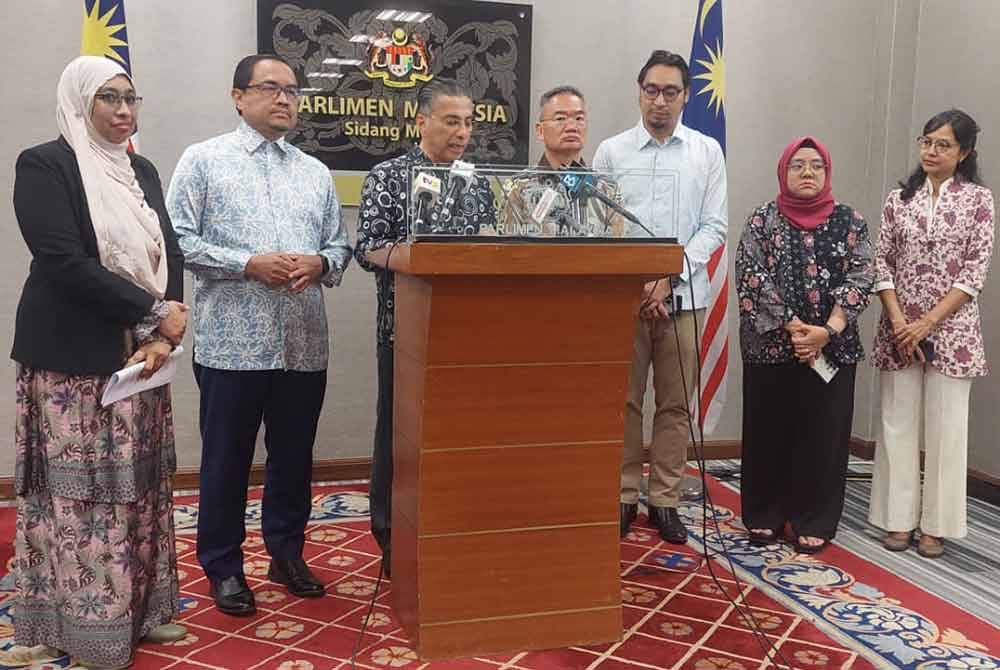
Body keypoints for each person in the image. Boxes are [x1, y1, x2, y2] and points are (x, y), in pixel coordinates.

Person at [10, 55, 188, 669]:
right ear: (78, 102)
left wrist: (164, 330)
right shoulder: (45, 165)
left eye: (130, 98)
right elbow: (63, 261)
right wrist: (154, 311)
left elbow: (168, 251)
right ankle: (72, 627)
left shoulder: (141, 169)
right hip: (72, 362)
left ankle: (139, 612)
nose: (123, 110)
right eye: (108, 98)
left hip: (141, 358)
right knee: (77, 498)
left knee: (137, 488)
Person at [167, 54, 352, 615]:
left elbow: (339, 245)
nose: (284, 99)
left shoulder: (314, 171)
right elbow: (176, 240)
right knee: (226, 461)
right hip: (232, 345)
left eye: (293, 91)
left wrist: (321, 263)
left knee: (293, 458)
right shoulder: (203, 160)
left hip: (303, 343)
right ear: (238, 96)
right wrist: (247, 263)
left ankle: (286, 553)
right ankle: (223, 566)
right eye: (271, 88)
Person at [355, 81, 497, 574]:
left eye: (469, 123)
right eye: (452, 121)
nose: (462, 132)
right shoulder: (388, 176)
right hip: (405, 335)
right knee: (398, 438)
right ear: (422, 121)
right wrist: (418, 258)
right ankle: (392, 537)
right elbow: (367, 248)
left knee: (458, 438)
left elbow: (490, 247)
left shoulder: (476, 182)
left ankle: (453, 529)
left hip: (467, 336)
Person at [593, 50, 728, 543]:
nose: (660, 101)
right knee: (624, 402)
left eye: (671, 92)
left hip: (684, 298)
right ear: (639, 92)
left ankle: (665, 500)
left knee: (674, 406)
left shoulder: (706, 152)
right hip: (624, 299)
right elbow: (602, 225)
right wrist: (638, 282)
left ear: (686, 96)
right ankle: (624, 494)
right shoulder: (611, 152)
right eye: (652, 90)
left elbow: (713, 227)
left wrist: (668, 277)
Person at [736, 136, 873, 554]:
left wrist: (826, 331)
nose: (808, 173)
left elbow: (862, 275)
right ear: (783, 172)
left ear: (827, 172)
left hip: (832, 347)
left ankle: (814, 517)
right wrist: (796, 329)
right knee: (769, 431)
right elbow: (750, 275)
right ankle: (765, 513)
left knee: (824, 435)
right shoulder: (761, 220)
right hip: (771, 347)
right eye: (798, 166)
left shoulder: (851, 221)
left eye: (816, 165)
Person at [868, 109, 994, 559]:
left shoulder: (979, 201)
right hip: (898, 328)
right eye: (926, 142)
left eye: (943, 145)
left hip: (952, 330)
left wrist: (929, 322)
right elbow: (881, 262)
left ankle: (936, 526)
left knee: (946, 430)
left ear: (964, 152)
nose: (932, 151)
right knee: (897, 423)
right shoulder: (897, 200)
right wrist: (899, 320)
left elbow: (975, 271)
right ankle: (896, 518)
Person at [499, 85, 625, 237]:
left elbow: (618, 248)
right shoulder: (517, 187)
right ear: (540, 130)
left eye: (579, 118)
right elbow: (507, 248)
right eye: (560, 118)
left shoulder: (606, 189)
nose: (572, 127)